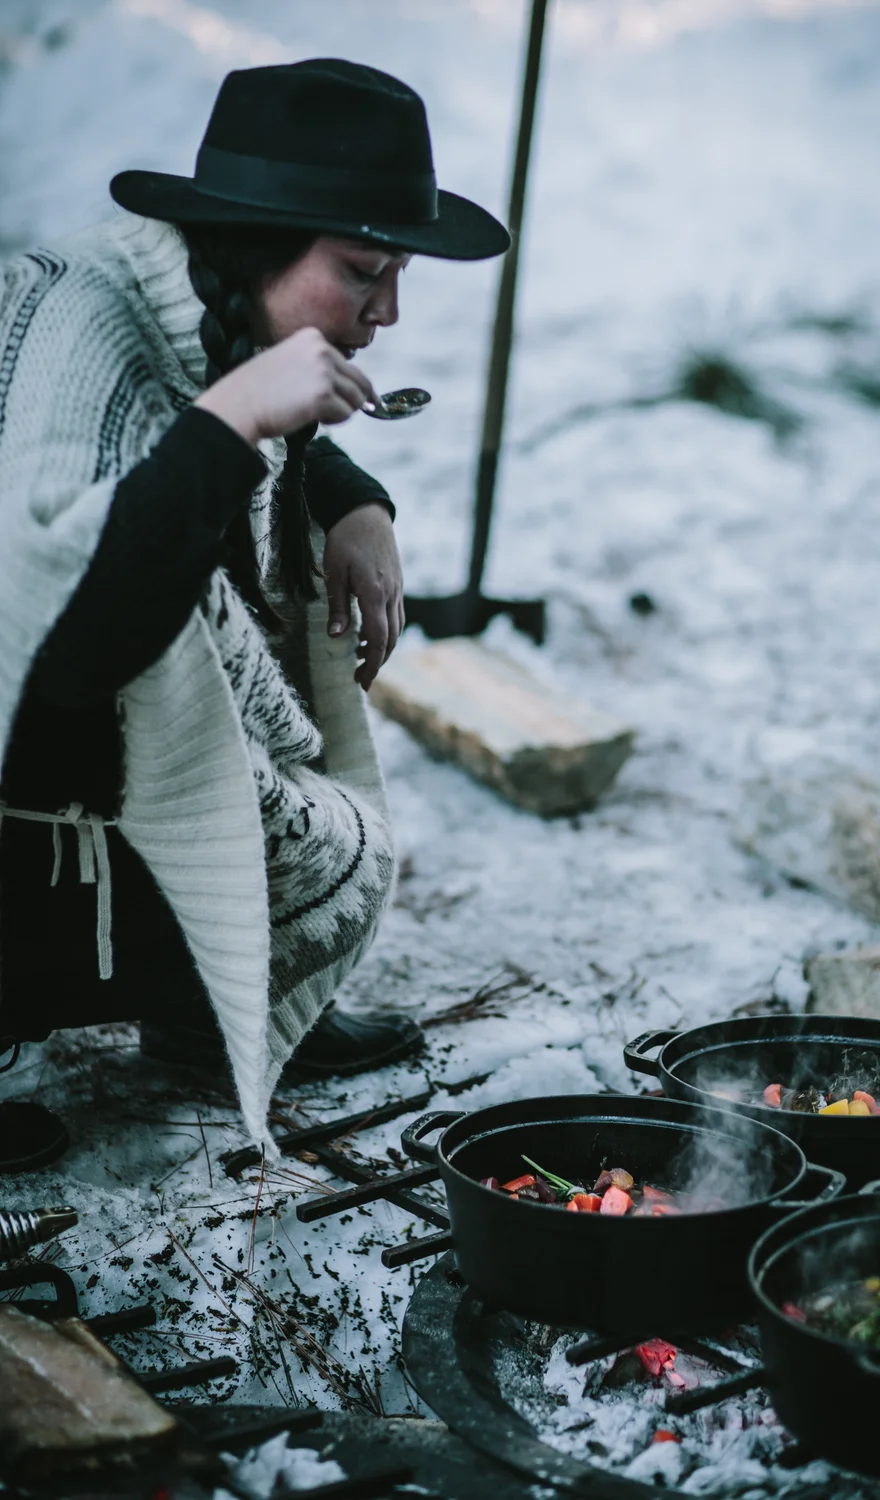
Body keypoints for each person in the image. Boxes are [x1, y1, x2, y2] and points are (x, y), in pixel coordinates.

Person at [0, 59, 509, 1151]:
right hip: (26, 762)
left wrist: (355, 504)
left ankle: (202, 1008)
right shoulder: (80, 323)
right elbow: (69, 642)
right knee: (173, 649)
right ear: (252, 241)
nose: (389, 311)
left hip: (87, 719)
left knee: (248, 603)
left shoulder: (204, 304)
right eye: (364, 270)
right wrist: (232, 420)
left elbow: (258, 429)